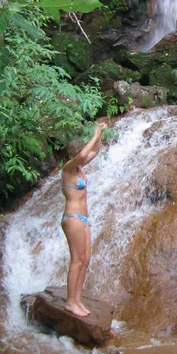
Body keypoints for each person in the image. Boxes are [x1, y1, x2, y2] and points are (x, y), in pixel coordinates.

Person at [61, 122, 107, 317]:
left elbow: (94, 152)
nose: (84, 155)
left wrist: (100, 134)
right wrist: (94, 134)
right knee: (77, 260)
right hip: (72, 218)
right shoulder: (68, 168)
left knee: (85, 259)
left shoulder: (79, 169)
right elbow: (82, 155)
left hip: (84, 218)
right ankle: (70, 302)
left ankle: (77, 299)